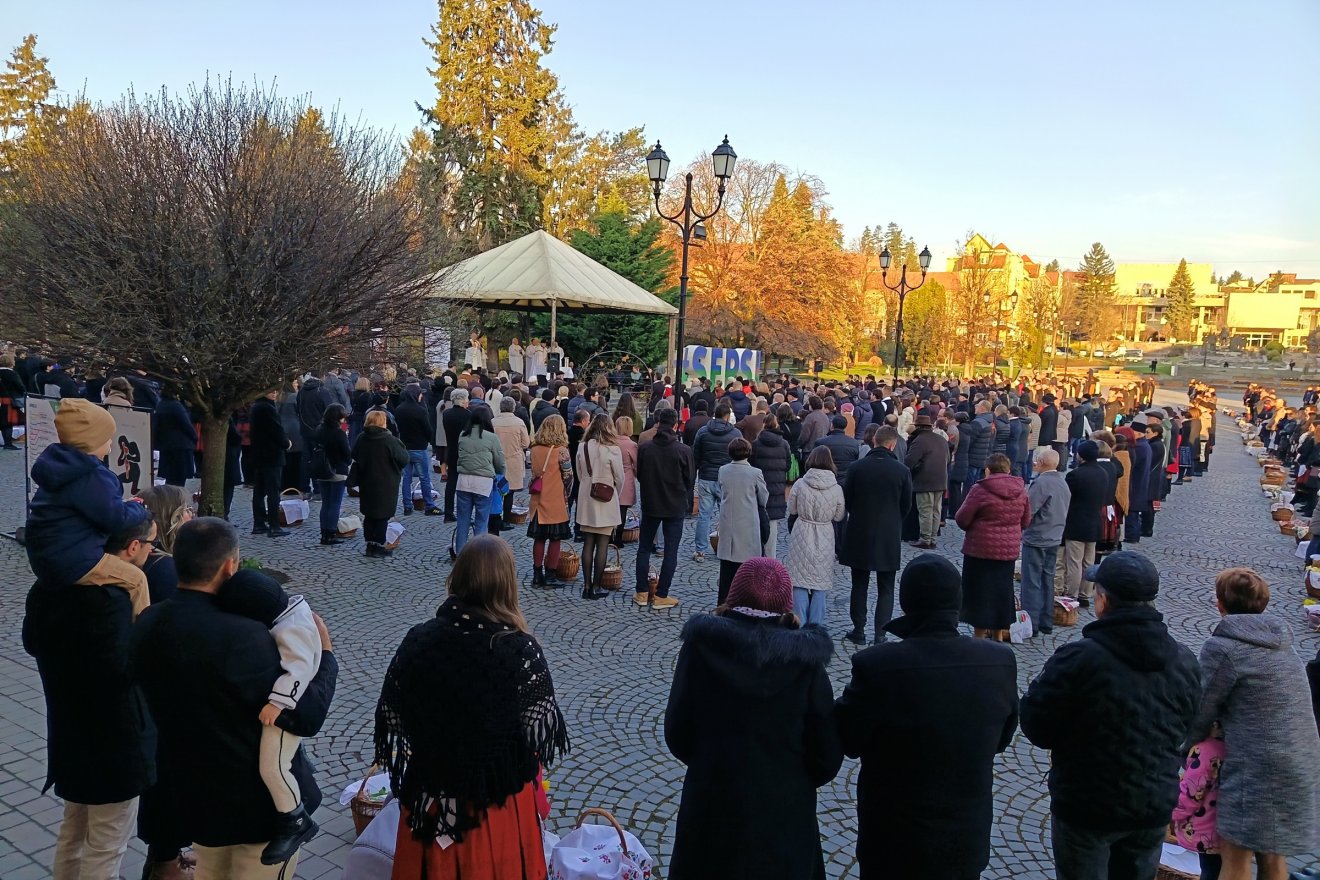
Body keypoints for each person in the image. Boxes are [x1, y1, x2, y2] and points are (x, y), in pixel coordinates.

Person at [131, 518, 337, 878]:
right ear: (230, 565)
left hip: (194, 798)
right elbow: (305, 715)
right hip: (258, 811)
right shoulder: (244, 637)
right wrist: (327, 656)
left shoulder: (147, 623)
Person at [376, 535, 567, 880]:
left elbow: (393, 716)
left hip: (428, 799)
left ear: (458, 578)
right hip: (497, 810)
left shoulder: (418, 641)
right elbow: (538, 732)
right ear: (507, 586)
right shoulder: (520, 652)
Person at [835, 553, 1018, 880]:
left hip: (893, 838)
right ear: (957, 601)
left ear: (906, 602)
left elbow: (848, 737)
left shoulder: (878, 666)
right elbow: (1002, 738)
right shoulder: (999, 661)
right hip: (964, 836)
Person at [1020, 551, 1201, 880]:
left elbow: (1037, 725)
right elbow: (1188, 726)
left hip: (1088, 806)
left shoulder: (1079, 659)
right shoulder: (1185, 660)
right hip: (1152, 803)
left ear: (1103, 600)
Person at [665, 558, 843, 879]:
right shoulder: (805, 662)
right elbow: (825, 755)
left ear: (733, 598)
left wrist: (712, 761)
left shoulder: (701, 648)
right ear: (786, 608)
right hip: (784, 818)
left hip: (712, 806)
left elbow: (678, 732)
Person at [24, 517, 159, 880]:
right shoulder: (114, 600)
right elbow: (125, 670)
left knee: (74, 833)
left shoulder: (48, 588)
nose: (151, 552)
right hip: (115, 745)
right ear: (132, 547)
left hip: (70, 736)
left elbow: (31, 642)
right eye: (150, 545)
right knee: (106, 845)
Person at [1185, 568, 1320, 880]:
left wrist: (1184, 749)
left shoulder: (1224, 647)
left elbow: (1201, 708)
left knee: (1235, 860)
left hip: (1258, 767)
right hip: (1299, 760)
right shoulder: (1282, 642)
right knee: (1273, 861)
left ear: (1219, 603)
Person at [213, 571, 323, 865]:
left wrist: (277, 705)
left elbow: (298, 670)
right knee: (275, 763)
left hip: (288, 709)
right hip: (289, 705)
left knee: (272, 767)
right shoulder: (291, 614)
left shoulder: (290, 629)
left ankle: (295, 819)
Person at [25, 397, 154, 616]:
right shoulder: (91, 476)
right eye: (107, 439)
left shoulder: (59, 467)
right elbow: (115, 519)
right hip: (72, 560)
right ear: (91, 442)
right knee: (136, 580)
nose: (111, 444)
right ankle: (142, 640)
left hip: (46, 556)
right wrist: (139, 509)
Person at [839, 426, 912, 644]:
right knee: (886, 587)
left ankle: (858, 630)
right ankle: (880, 634)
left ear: (874, 441)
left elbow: (847, 499)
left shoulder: (856, 468)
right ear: (892, 445)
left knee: (859, 584)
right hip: (888, 534)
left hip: (860, 530)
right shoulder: (901, 471)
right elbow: (906, 505)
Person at [955, 453, 1030, 640]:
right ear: (1008, 469)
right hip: (1008, 551)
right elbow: (1026, 520)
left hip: (979, 549)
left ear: (988, 470)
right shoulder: (1021, 490)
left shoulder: (980, 489)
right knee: (1002, 591)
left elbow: (962, 518)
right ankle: (998, 635)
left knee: (979, 592)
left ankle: (979, 636)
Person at [633, 407, 694, 609]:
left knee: (644, 549)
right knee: (671, 551)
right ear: (675, 425)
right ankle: (661, 595)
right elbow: (689, 479)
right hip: (674, 505)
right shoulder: (684, 451)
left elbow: (639, 474)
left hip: (651, 503)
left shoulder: (645, 448)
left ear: (658, 424)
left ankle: (641, 592)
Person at [786, 446, 846, 628]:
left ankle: (799, 622)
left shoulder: (800, 483)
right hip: (825, 534)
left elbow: (792, 509)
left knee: (798, 580)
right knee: (820, 582)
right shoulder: (836, 488)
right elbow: (839, 515)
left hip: (802, 531)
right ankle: (816, 625)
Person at [1020, 447, 1070, 636]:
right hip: (1054, 536)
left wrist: (1021, 528)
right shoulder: (1062, 482)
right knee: (1047, 578)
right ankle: (1045, 620)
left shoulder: (1041, 483)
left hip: (1038, 537)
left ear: (1041, 463)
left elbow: (1029, 511)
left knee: (1031, 580)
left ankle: (1030, 622)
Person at [715, 437, 770, 605]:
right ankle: (746, 602)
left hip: (728, 522)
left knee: (726, 569)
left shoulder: (723, 470)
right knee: (747, 567)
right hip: (747, 524)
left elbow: (721, 489)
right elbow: (763, 498)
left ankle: (724, 603)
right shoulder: (755, 473)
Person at [575, 413, 623, 600]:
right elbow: (620, 478)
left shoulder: (582, 447)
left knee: (588, 543)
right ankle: (596, 586)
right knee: (602, 543)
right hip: (606, 498)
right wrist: (613, 493)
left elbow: (580, 474)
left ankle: (586, 586)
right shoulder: (612, 449)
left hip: (586, 497)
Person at [350, 410, 409, 558]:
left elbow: (354, 454)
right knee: (382, 515)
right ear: (383, 422)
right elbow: (404, 459)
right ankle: (378, 545)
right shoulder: (389, 440)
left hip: (366, 481)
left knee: (369, 514)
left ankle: (370, 545)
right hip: (386, 482)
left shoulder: (361, 438)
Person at [526, 414, 574, 589]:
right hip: (555, 499)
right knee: (555, 539)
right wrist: (568, 495)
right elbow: (568, 477)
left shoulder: (535, 448)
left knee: (539, 538)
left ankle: (537, 575)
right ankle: (551, 575)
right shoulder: (561, 451)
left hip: (538, 499)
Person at [1062, 439, 1110, 606]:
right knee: (1089, 561)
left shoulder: (1075, 475)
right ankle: (1085, 594)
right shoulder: (1103, 473)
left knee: (1074, 562)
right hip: (1095, 522)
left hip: (1076, 522)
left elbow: (1066, 498)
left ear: (1081, 456)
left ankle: (1072, 594)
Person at [454, 406, 506, 556]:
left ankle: (460, 554)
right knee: (482, 521)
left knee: (462, 521)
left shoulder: (463, 435)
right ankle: (479, 556)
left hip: (463, 480)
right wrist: (500, 473)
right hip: (483, 483)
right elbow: (500, 462)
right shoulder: (491, 437)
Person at [692, 402, 738, 561]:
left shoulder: (703, 432)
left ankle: (700, 550)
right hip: (727, 478)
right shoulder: (735, 434)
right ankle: (727, 549)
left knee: (704, 515)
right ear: (727, 416)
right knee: (728, 515)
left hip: (706, 476)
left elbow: (695, 455)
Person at [137, 484, 192, 603]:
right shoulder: (167, 570)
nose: (192, 515)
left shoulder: (142, 556)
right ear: (171, 519)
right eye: (186, 510)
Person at [249, 389, 291, 537]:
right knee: (273, 490)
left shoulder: (257, 406)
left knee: (259, 490)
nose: (275, 393)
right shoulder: (267, 408)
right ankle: (274, 525)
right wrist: (286, 443)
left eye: (276, 390)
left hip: (260, 454)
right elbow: (276, 430)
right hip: (271, 454)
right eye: (271, 390)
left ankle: (259, 523)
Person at [309, 404, 351, 546]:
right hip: (337, 470)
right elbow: (347, 454)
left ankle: (324, 534)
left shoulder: (319, 429)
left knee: (326, 504)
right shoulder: (339, 433)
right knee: (334, 504)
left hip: (322, 469)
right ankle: (331, 533)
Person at [396, 385, 441, 517]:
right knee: (424, 478)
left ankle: (407, 505)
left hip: (405, 446)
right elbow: (427, 429)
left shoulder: (399, 409)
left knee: (407, 478)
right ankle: (429, 505)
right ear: (417, 395)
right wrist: (428, 439)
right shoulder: (420, 410)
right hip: (419, 447)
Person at [750, 412, 791, 556]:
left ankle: (756, 557)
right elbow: (787, 465)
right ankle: (770, 559)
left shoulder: (756, 444)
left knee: (756, 520)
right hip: (777, 487)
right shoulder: (784, 444)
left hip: (760, 486)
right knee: (772, 525)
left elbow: (751, 465)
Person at [905, 414, 948, 549]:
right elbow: (947, 459)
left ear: (917, 427)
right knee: (936, 510)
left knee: (925, 510)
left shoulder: (919, 440)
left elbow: (909, 462)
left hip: (925, 480)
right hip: (941, 480)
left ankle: (925, 539)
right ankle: (932, 539)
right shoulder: (941, 439)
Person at [493, 397, 530, 528]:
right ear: (513, 407)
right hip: (513, 460)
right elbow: (526, 443)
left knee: (496, 490)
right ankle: (506, 520)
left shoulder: (493, 421)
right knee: (509, 492)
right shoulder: (519, 422)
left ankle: (494, 518)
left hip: (496, 459)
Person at [153, 389, 197, 487]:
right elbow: (187, 426)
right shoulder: (176, 406)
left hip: (167, 447)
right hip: (181, 447)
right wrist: (194, 437)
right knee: (179, 481)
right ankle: (177, 501)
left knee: (171, 481)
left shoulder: (161, 405)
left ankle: (171, 500)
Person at [441, 388, 472, 520]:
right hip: (465, 452)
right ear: (463, 400)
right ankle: (464, 513)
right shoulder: (468, 415)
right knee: (466, 484)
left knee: (451, 483)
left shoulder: (446, 414)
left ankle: (448, 512)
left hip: (452, 450)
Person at [613, 415, 638, 545]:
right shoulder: (631, 445)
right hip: (626, 478)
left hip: (611, 478)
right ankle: (618, 537)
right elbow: (637, 464)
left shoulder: (610, 441)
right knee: (622, 509)